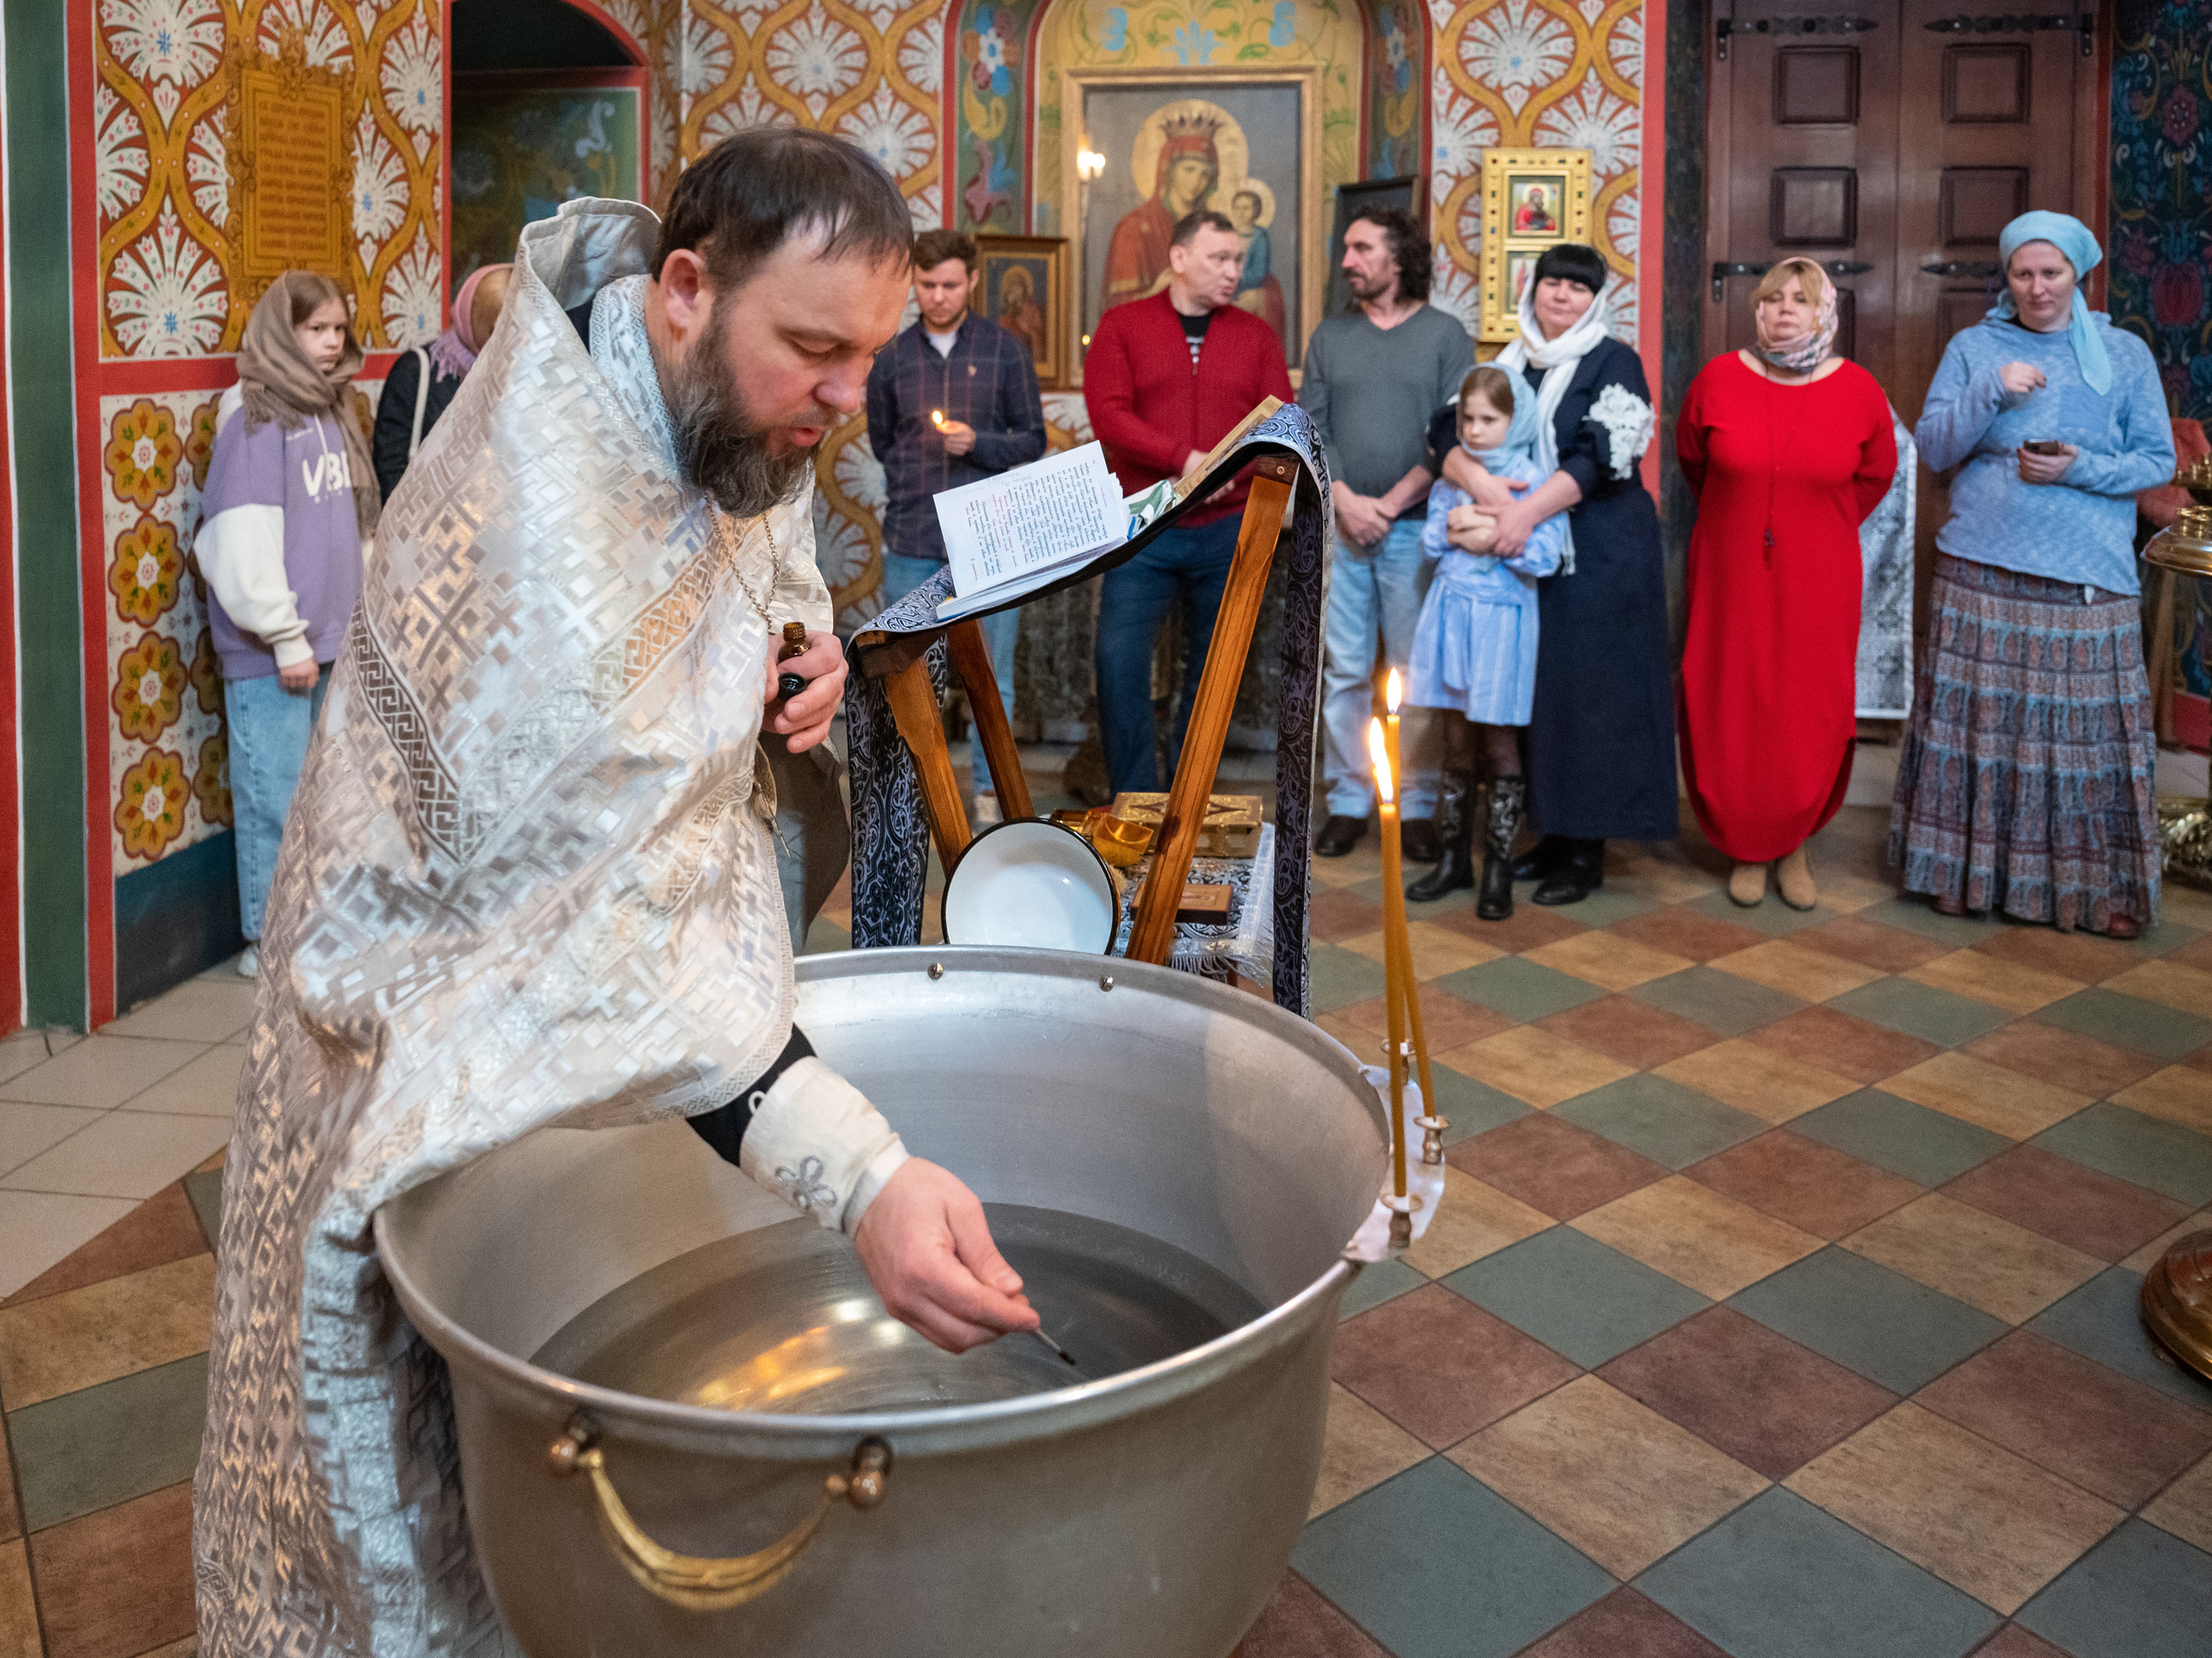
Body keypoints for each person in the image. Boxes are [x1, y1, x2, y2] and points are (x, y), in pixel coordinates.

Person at [194, 131, 1042, 1658]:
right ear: (682, 288)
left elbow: (750, 561)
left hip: (566, 1014)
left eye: (867, 351)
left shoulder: (684, 389)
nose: (849, 403)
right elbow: (608, 942)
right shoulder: (540, 541)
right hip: (411, 1041)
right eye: (815, 351)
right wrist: (866, 1176)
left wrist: (807, 647)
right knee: (419, 1529)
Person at [1891, 210, 2175, 937]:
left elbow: (2156, 463)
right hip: (1981, 562)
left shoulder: (2123, 353)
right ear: (2007, 276)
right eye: (2024, 273)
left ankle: (2094, 889)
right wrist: (1990, 389)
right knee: (1976, 727)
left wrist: (2082, 467)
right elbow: (1933, 445)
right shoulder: (1975, 346)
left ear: (2078, 275)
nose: (2038, 288)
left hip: (2088, 569)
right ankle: (1958, 872)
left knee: (2083, 736)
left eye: (2052, 273)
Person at [1430, 242, 1670, 904]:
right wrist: (1488, 489)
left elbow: (1603, 456)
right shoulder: (1509, 360)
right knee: (1542, 693)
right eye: (1552, 283)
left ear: (1596, 299)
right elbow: (1447, 430)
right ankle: (1553, 831)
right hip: (1527, 547)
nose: (1562, 296)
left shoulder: (1614, 360)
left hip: (1598, 549)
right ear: (1531, 289)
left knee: (1592, 698)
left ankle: (1586, 851)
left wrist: (1517, 515)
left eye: (1578, 287)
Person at [1676, 257, 1897, 910]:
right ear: (1757, 311)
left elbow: (1876, 474)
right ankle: (1744, 845)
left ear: (1825, 311)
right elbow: (1695, 462)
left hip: (1819, 575)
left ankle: (1793, 841)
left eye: (1801, 300)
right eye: (1773, 299)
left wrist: (1818, 526)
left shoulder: (1859, 390)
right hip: (1729, 568)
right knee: (1731, 697)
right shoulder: (1717, 379)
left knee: (1807, 702)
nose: (1785, 310)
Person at [196, 271, 380, 981]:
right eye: (316, 329)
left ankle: (317, 924)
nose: (332, 343)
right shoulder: (256, 414)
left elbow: (352, 523)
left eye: (338, 329)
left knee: (324, 796)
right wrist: (283, 632)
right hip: (275, 650)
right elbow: (238, 537)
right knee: (276, 794)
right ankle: (269, 941)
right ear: (282, 329)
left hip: (328, 639)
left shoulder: (330, 407)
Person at [1084, 209, 1294, 792]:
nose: (1234, 271)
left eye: (1237, 260)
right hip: (1144, 526)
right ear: (1179, 259)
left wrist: (1228, 471)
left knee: (1215, 671)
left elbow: (1280, 422)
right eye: (1219, 259)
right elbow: (1109, 416)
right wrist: (1185, 459)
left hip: (1228, 526)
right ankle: (1137, 796)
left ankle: (1189, 792)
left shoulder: (1257, 335)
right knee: (1118, 663)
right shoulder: (1123, 324)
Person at [1304, 206, 1474, 859]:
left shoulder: (1445, 335)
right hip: (1343, 528)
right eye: (1346, 247)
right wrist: (1346, 500)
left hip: (1414, 529)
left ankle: (1417, 802)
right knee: (1346, 669)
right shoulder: (1331, 337)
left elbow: (1456, 431)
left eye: (1360, 247)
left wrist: (1393, 502)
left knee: (1414, 671)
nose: (1347, 259)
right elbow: (1313, 427)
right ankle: (1349, 800)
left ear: (1397, 257)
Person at [866, 227, 1046, 815]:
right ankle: (914, 796)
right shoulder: (890, 356)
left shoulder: (1005, 349)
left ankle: (991, 800)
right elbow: (882, 438)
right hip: (913, 535)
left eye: (949, 284)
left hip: (990, 542)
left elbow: (1033, 441)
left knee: (992, 678)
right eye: (926, 285)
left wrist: (979, 444)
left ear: (972, 280)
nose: (938, 296)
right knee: (909, 674)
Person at [1408, 366, 1567, 917]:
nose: (1474, 431)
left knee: (1499, 742)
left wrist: (1482, 534)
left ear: (1514, 419)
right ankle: (1454, 859)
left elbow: (1546, 554)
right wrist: (1460, 528)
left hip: (1503, 623)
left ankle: (1497, 863)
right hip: (1452, 617)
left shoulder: (1532, 477)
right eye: (1466, 419)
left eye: (1488, 420)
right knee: (1454, 739)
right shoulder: (1454, 477)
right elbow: (1433, 540)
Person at [371, 262, 511, 497]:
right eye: (495, 330)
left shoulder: (521, 372)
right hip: (427, 522)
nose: (506, 342)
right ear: (473, 320)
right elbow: (390, 463)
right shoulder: (418, 370)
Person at [1103, 112, 1223, 311]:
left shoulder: (1213, 228)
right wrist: (1156, 292)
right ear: (1169, 170)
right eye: (1189, 170)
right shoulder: (1133, 229)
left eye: (1204, 174)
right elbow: (1117, 311)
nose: (1196, 183)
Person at [1228, 184, 1286, 343]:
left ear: (1256, 211)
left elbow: (1259, 272)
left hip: (1249, 288)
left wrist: (1237, 279)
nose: (1241, 212)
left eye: (1246, 208)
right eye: (1237, 208)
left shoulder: (1260, 237)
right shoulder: (1228, 233)